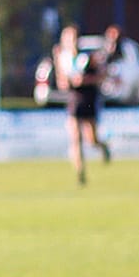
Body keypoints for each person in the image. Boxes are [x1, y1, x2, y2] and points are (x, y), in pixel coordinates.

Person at [53, 25, 108, 183]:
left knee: (92, 140)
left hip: (88, 99)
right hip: (73, 100)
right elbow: (62, 84)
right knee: (75, 138)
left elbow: (102, 76)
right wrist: (61, 70)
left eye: (74, 38)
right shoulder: (63, 59)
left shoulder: (87, 58)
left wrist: (85, 80)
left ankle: (102, 147)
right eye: (68, 38)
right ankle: (80, 173)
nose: (72, 42)